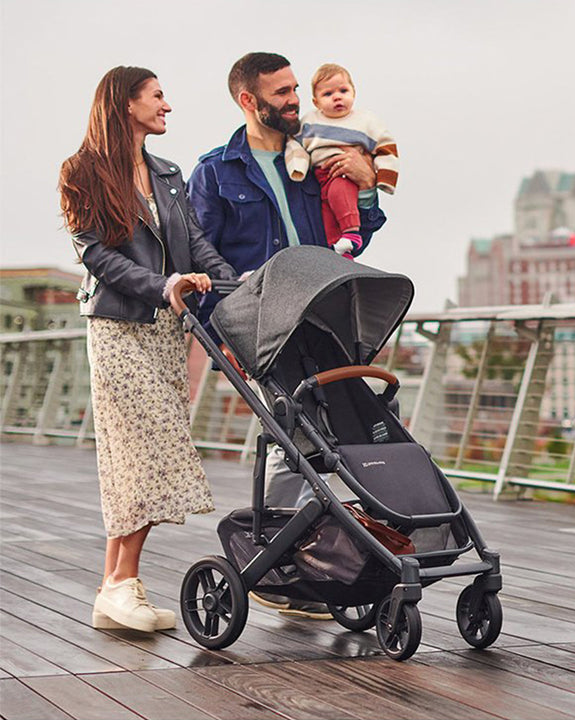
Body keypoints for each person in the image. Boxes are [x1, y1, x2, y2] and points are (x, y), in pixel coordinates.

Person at [187, 52, 387, 619]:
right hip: (261, 326)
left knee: (327, 432)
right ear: (249, 101)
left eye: (296, 88)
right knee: (292, 430)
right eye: (282, 92)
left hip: (325, 317)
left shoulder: (317, 158)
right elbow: (203, 261)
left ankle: (307, 558)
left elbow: (357, 230)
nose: (296, 99)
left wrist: (367, 187)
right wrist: (220, 329)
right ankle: (279, 563)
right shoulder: (216, 173)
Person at [59, 66, 237, 632]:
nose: (168, 105)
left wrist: (234, 285)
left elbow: (197, 242)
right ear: (126, 103)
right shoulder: (81, 171)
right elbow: (96, 255)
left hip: (165, 329)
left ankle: (115, 587)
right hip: (118, 325)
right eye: (158, 96)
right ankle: (121, 583)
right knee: (147, 447)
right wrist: (164, 285)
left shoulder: (167, 172)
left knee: (138, 452)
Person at [285, 63, 398, 258]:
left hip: (344, 174)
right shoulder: (310, 121)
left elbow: (385, 146)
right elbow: (295, 146)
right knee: (327, 216)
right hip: (321, 177)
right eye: (327, 94)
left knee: (341, 194)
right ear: (316, 101)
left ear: (353, 93)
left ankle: (352, 233)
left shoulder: (365, 121)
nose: (337, 97)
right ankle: (340, 252)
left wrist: (385, 179)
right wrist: (299, 167)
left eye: (343, 90)